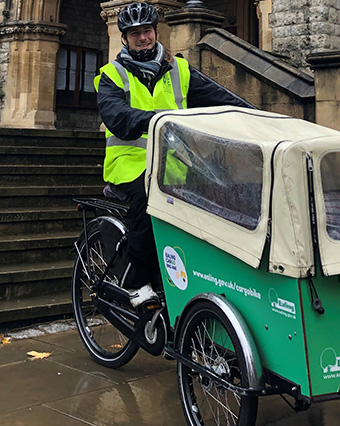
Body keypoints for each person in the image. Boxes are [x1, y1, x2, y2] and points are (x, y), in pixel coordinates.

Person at [94, 1, 248, 308]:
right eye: (134, 33)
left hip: (174, 165)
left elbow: (222, 99)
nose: (142, 38)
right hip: (130, 165)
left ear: (155, 32)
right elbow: (118, 118)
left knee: (219, 196)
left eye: (147, 31)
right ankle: (137, 283)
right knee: (148, 201)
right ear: (124, 38)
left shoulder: (179, 69)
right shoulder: (112, 75)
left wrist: (257, 117)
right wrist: (157, 119)